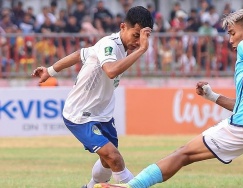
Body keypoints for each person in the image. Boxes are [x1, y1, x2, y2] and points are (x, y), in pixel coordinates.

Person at [98, 9, 243, 188]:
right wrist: (212, 96)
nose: (230, 40)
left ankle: (131, 186)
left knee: (184, 154)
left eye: (232, 33)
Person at [31, 6, 153, 188]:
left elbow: (79, 54)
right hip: (80, 115)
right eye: (136, 35)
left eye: (142, 37)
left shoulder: (115, 47)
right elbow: (111, 71)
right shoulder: (109, 45)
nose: (138, 41)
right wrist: (141, 49)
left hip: (103, 114)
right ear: (122, 27)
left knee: (107, 161)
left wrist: (49, 70)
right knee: (114, 158)